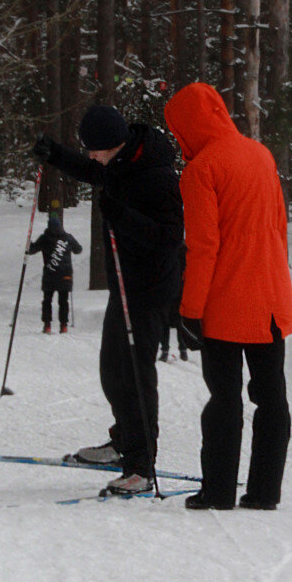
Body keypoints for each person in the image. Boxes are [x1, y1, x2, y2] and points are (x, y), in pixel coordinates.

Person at [164, 82, 292, 511]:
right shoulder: (260, 155)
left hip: (223, 304)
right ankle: (264, 492)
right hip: (270, 301)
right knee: (271, 398)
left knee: (224, 399)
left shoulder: (201, 170)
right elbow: (278, 226)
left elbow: (204, 246)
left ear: (187, 126)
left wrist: (190, 309)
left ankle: (218, 490)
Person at [33, 104, 183, 495]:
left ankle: (141, 466)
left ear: (114, 144)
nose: (91, 156)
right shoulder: (122, 161)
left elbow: (169, 239)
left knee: (134, 375)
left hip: (149, 289)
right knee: (112, 372)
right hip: (126, 284)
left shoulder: (157, 175)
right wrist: (56, 155)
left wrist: (123, 217)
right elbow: (95, 172)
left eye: (93, 149)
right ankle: (124, 444)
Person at [28, 212, 82, 334]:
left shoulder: (44, 238)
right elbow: (78, 250)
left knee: (47, 300)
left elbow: (31, 251)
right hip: (65, 274)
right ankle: (64, 325)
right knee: (63, 301)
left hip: (50, 275)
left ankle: (47, 325)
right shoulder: (67, 237)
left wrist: (29, 244)